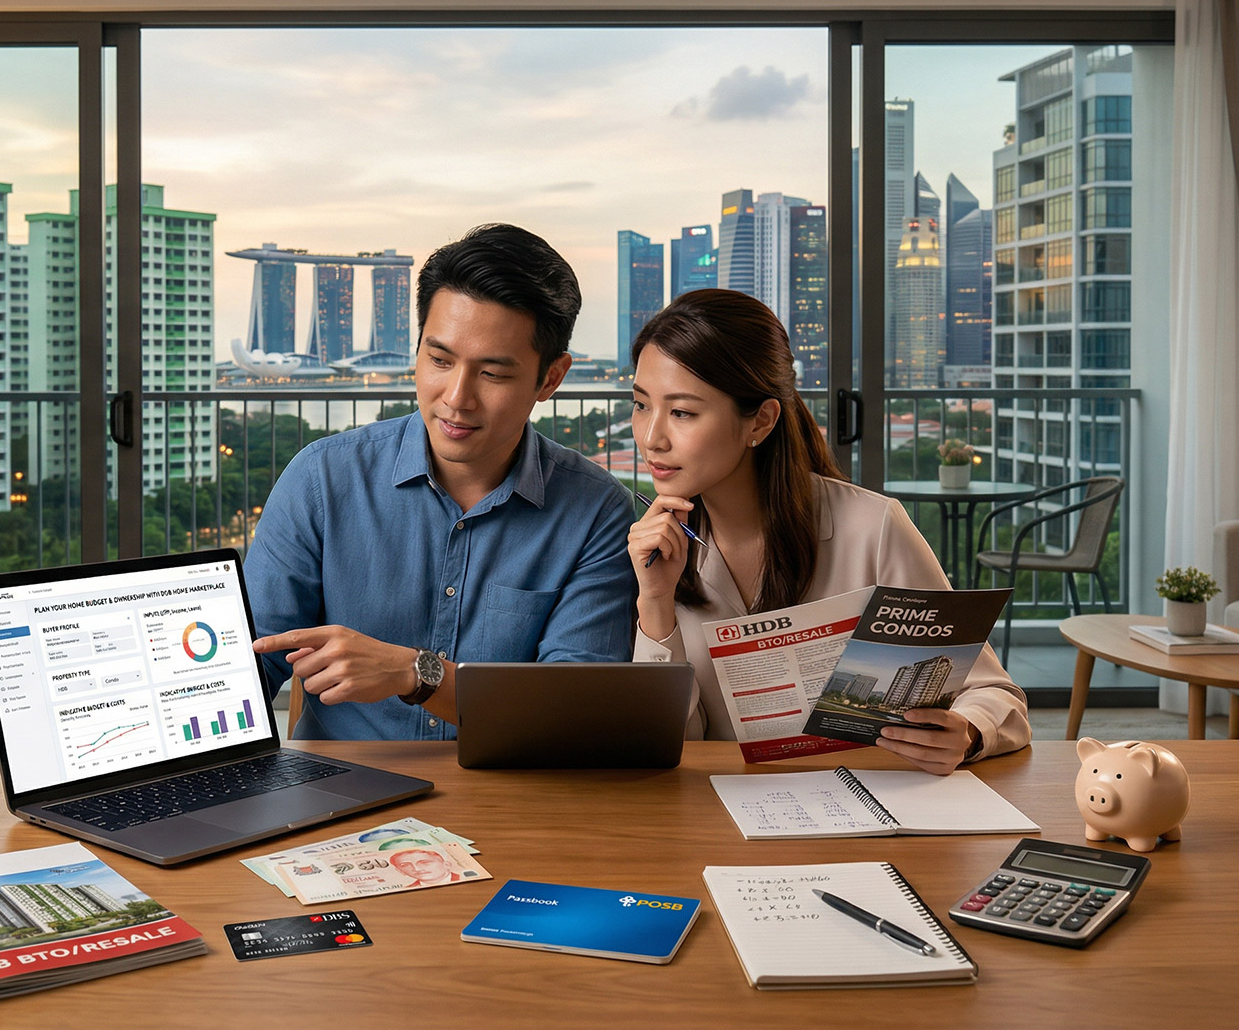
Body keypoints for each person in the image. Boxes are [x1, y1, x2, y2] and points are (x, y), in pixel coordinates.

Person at [247, 223, 637, 740]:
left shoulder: (596, 512)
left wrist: (417, 674)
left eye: (492, 373)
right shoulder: (321, 479)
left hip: (513, 802)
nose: (456, 397)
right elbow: (245, 671)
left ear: (550, 378)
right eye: (439, 359)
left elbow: (573, 716)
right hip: (340, 796)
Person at [628, 289, 1029, 775]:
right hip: (724, 817)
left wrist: (967, 732)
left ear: (761, 419)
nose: (652, 438)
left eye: (682, 412)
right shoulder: (657, 547)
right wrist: (654, 603)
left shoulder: (872, 527)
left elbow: (995, 694)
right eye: (641, 405)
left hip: (868, 804)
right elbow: (666, 744)